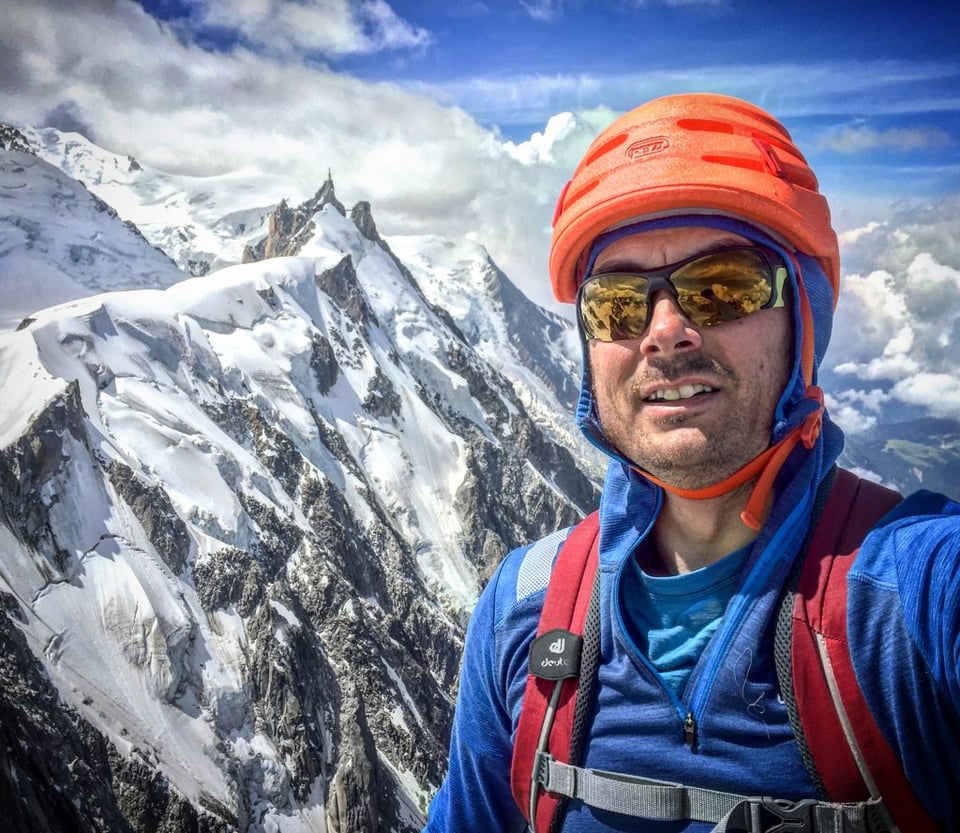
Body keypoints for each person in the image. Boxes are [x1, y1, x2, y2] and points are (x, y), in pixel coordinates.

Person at [421, 93, 960, 832]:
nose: (665, 331)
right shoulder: (521, 610)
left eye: (724, 286)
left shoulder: (910, 594)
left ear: (803, 313)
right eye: (617, 304)